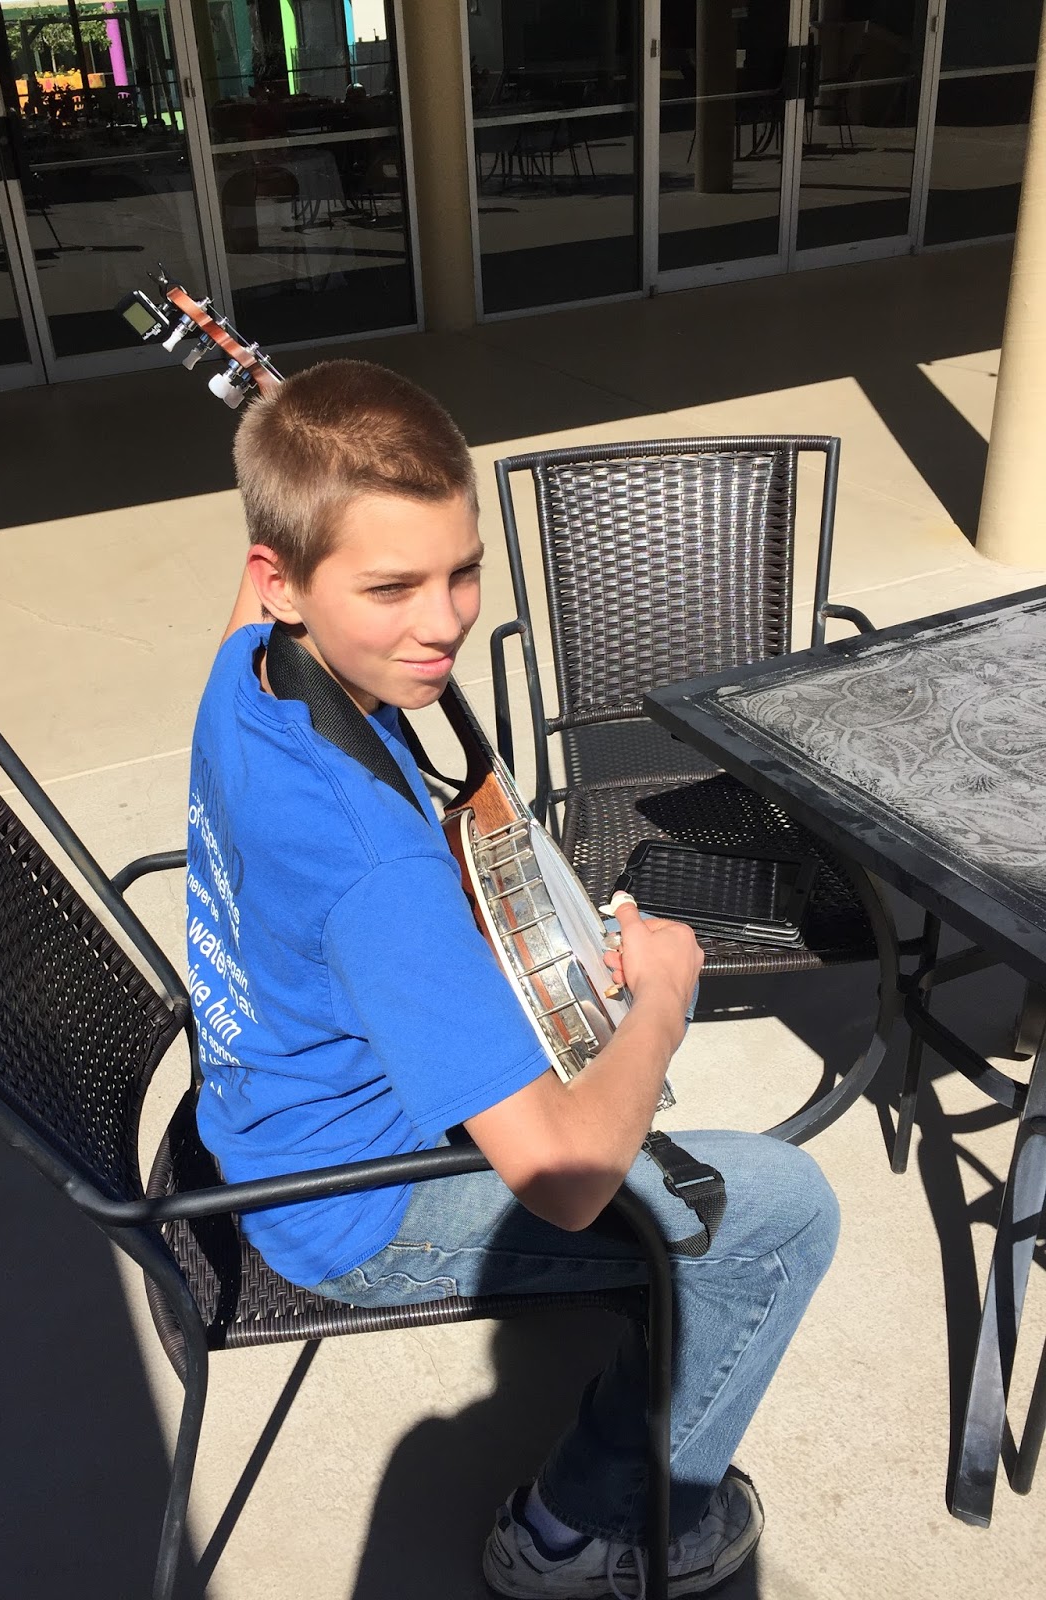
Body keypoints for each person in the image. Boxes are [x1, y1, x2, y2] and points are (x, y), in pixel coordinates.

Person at [185, 359, 840, 1599]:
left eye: (461, 570)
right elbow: (565, 1181)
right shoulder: (376, 871)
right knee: (787, 1210)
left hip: (266, 1113)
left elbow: (285, 563)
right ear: (283, 580)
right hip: (351, 1212)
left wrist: (289, 428)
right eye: (391, 587)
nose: (440, 623)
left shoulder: (245, 673)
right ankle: (574, 1532)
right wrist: (664, 994)